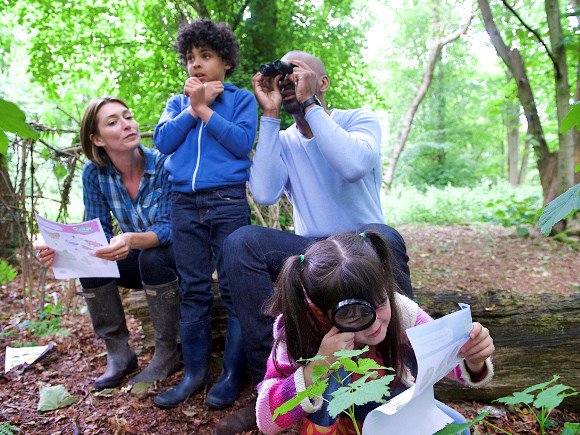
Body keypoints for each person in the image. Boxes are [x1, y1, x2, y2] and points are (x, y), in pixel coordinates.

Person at [216, 50, 413, 432]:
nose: (288, 81)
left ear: (322, 83)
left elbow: (354, 166)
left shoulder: (358, 120)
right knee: (240, 242)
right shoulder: (284, 140)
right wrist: (270, 117)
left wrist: (309, 105)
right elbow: (265, 192)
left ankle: (402, 371)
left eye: (298, 74)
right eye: (282, 77)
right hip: (315, 253)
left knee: (388, 237)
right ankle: (271, 386)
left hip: (364, 243)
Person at [257, 231, 495, 434]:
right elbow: (266, 420)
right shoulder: (300, 327)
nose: (373, 325)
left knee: (458, 426)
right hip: (334, 424)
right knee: (333, 368)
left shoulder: (399, 308)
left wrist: (474, 359)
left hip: (388, 411)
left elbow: (452, 362)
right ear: (321, 313)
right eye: (353, 315)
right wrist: (317, 368)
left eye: (381, 302)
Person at [37, 96, 180, 389]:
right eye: (113, 122)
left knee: (151, 257)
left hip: (174, 260)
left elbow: (170, 230)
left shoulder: (164, 163)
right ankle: (119, 353)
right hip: (136, 258)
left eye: (127, 116)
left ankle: (168, 352)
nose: (126, 125)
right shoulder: (94, 173)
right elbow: (97, 231)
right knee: (93, 259)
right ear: (97, 139)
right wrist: (60, 251)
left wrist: (131, 239)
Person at [152, 19, 258, 410]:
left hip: (227, 203)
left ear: (225, 62)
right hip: (184, 204)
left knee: (233, 289)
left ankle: (231, 376)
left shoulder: (241, 98)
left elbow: (241, 144)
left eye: (206, 56)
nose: (196, 64)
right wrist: (193, 109)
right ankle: (194, 375)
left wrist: (207, 110)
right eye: (190, 58)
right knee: (193, 289)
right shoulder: (176, 103)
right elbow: (162, 141)